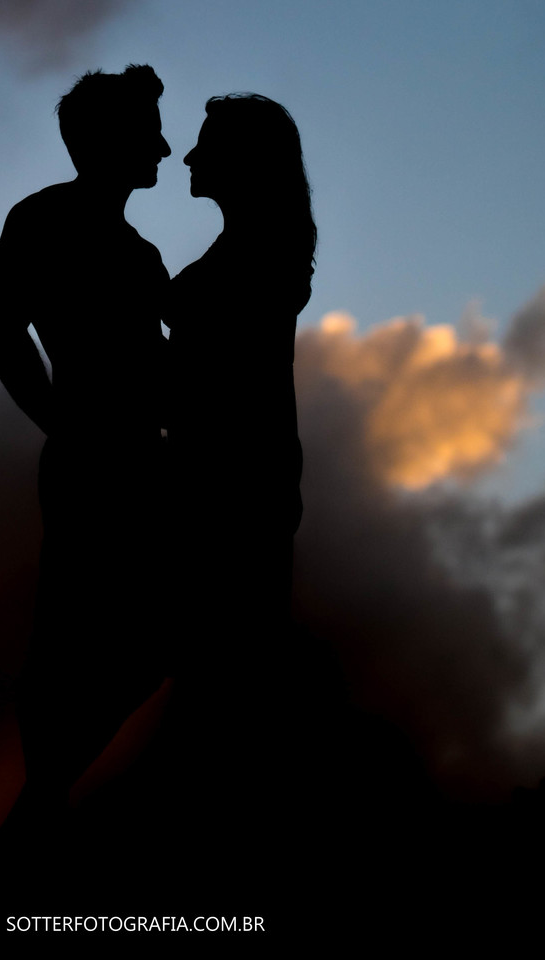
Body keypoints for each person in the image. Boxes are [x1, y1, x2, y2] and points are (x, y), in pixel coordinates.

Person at [0, 63, 172, 852]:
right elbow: (3, 334)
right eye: (146, 132)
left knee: (148, 636)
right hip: (94, 461)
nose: (163, 147)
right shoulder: (43, 220)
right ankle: (36, 823)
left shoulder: (141, 253)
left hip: (146, 464)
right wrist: (62, 422)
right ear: (105, 142)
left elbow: (163, 368)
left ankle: (35, 817)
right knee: (69, 639)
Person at [165, 94, 315, 788]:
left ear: (245, 161)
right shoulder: (255, 248)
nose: (190, 157)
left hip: (236, 481)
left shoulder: (261, 254)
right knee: (215, 667)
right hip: (223, 475)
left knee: (226, 669)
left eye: (206, 146)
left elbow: (220, 369)